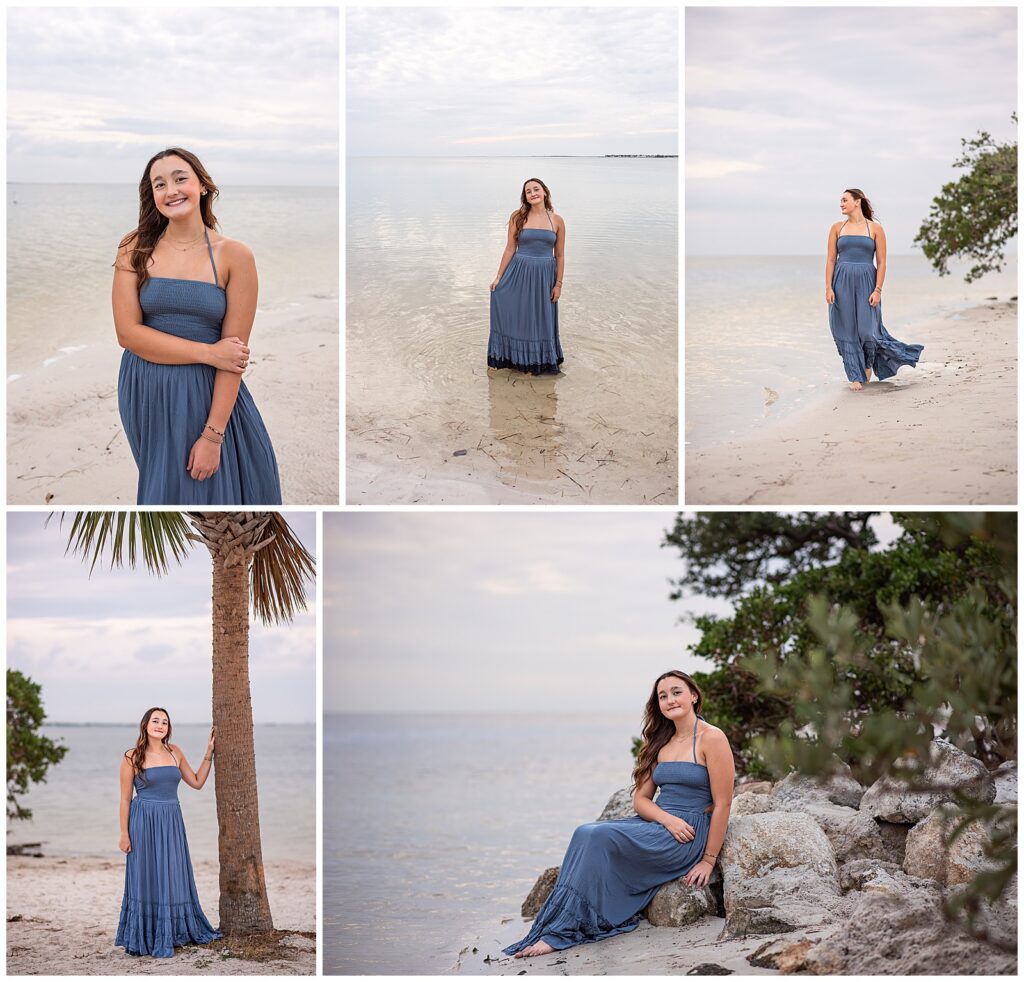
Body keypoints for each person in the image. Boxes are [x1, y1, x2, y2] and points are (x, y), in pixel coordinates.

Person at [504, 670, 735, 958]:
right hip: (663, 824)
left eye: (676, 692)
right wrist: (666, 818)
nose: (670, 700)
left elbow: (723, 803)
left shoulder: (712, 738)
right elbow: (641, 799)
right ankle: (557, 923)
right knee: (584, 832)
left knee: (598, 835)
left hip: (687, 835)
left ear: (693, 695)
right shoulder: (660, 742)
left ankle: (562, 930)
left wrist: (708, 860)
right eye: (663, 696)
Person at [113, 147, 282, 504]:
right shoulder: (134, 247)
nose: (170, 190)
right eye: (159, 184)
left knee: (220, 490)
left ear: (202, 186)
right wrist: (208, 352)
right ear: (152, 196)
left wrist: (213, 436)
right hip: (145, 388)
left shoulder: (235, 255)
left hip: (207, 393)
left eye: (180, 179)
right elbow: (127, 334)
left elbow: (233, 356)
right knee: (164, 491)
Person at [116, 707, 221, 958]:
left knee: (173, 873)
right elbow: (125, 800)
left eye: (164, 722)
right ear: (145, 725)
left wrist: (209, 754)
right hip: (143, 822)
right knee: (146, 875)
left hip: (171, 820)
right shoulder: (131, 757)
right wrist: (124, 833)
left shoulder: (175, 752)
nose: (160, 725)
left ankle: (173, 931)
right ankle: (146, 935)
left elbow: (196, 782)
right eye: (155, 720)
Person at [826, 189, 923, 390]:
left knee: (867, 330)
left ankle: (868, 364)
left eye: (845, 200)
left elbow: (882, 262)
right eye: (840, 201)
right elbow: (830, 260)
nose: (841, 204)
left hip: (867, 281)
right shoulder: (837, 228)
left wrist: (878, 289)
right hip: (841, 282)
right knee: (846, 328)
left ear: (857, 202)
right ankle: (855, 375)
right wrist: (828, 287)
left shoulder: (875, 229)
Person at [488, 178, 565, 375]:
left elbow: (560, 255)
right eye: (528, 191)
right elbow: (510, 248)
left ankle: (541, 359)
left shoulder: (556, 220)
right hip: (519, 272)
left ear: (545, 192)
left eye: (536, 189)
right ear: (525, 197)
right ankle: (515, 357)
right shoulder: (518, 217)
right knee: (521, 314)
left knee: (541, 318)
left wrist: (558, 284)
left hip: (544, 276)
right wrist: (499, 277)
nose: (533, 193)